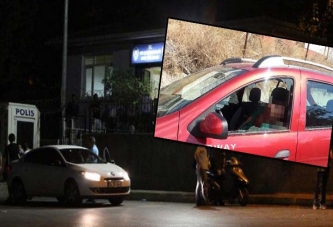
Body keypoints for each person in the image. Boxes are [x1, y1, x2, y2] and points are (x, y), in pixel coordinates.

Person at [3, 133, 20, 202]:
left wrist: (4, 166)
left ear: (9, 139)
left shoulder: (8, 147)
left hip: (10, 165)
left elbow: (5, 157)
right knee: (15, 180)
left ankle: (11, 196)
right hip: (16, 164)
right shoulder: (17, 146)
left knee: (9, 181)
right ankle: (16, 195)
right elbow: (18, 155)